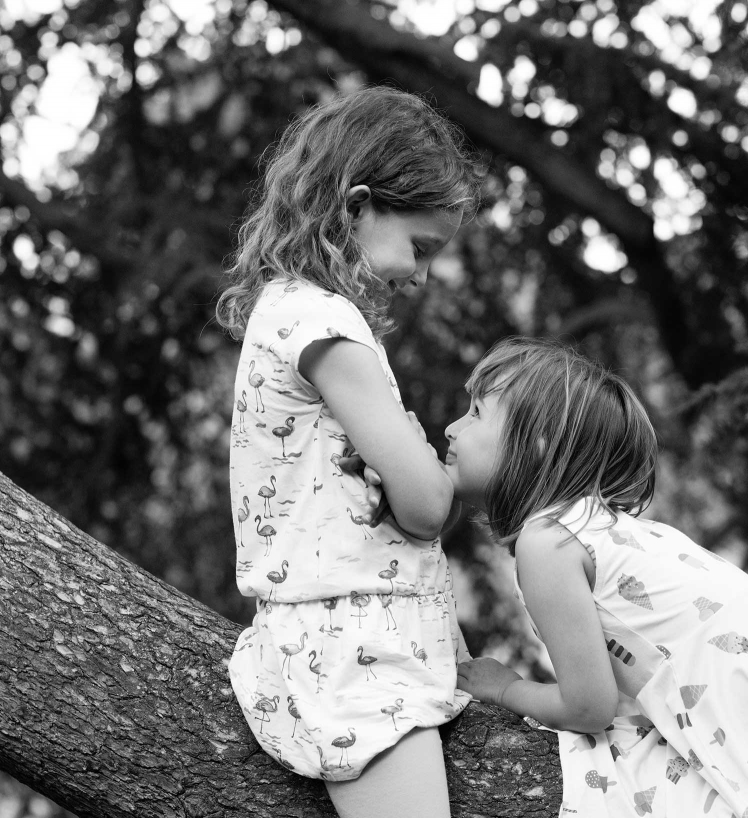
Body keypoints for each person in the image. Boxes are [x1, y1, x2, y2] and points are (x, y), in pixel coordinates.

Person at [451, 337, 748, 818]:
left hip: (739, 683)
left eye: (475, 412)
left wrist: (505, 689)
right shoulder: (593, 526)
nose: (452, 428)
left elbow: (588, 707)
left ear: (534, 445)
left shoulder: (547, 541)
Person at [215, 86, 479, 818]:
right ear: (357, 207)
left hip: (341, 634)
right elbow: (427, 504)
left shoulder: (287, 312)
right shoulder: (327, 325)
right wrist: (420, 457)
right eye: (419, 247)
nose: (421, 275)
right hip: (357, 648)